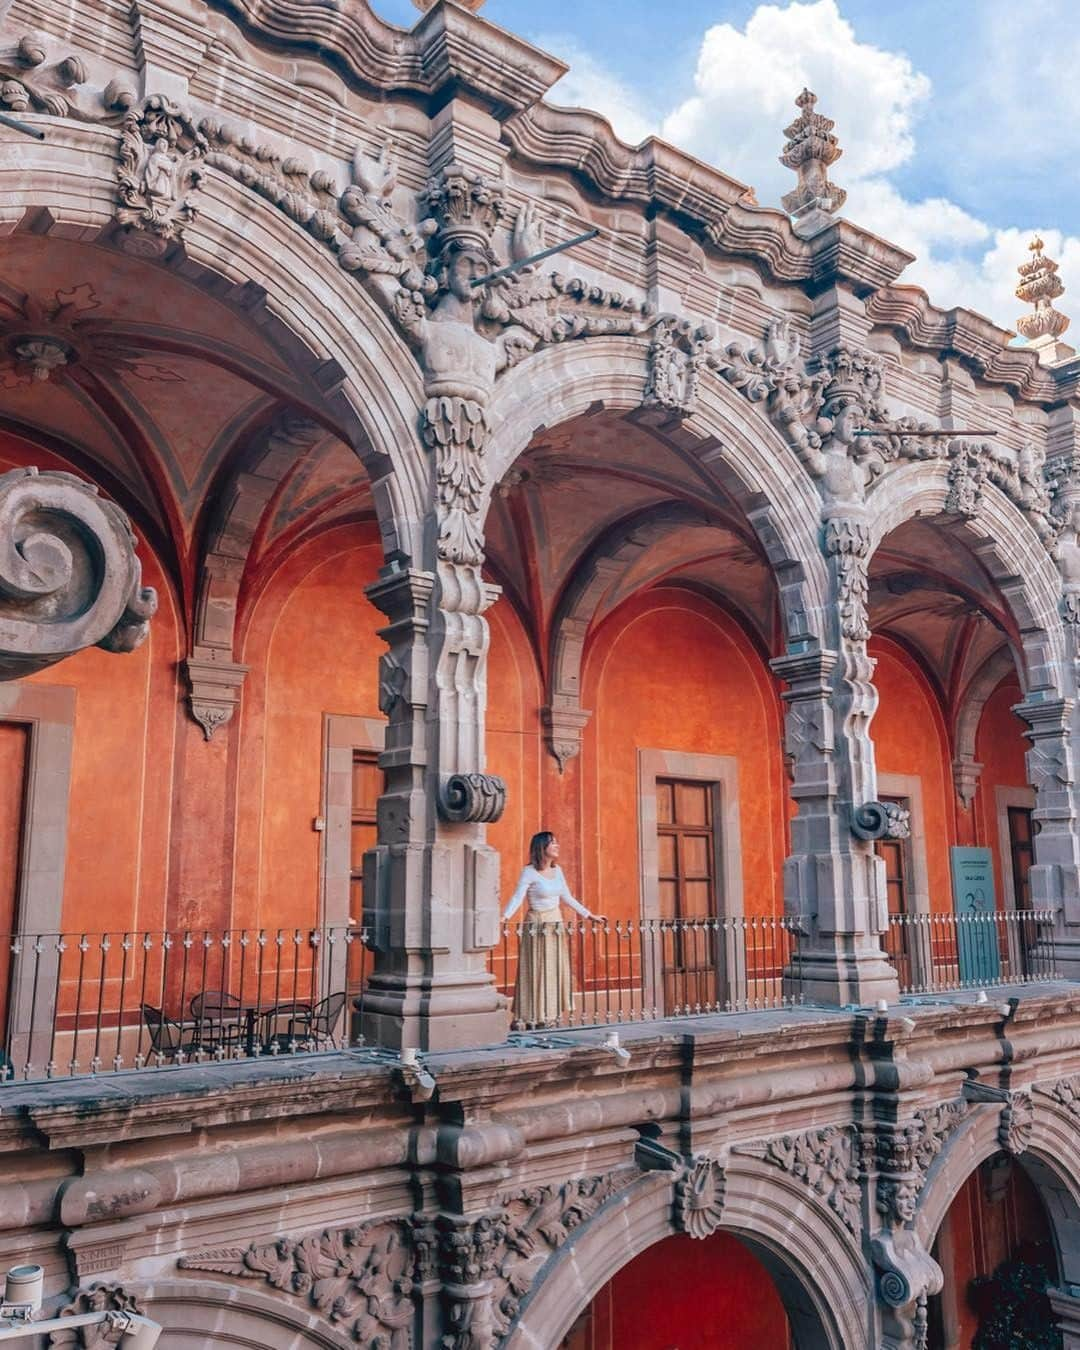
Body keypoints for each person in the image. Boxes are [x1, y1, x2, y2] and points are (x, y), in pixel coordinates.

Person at [502, 831, 601, 1028]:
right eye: (552, 843)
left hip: (555, 924)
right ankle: (530, 1016)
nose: (557, 846)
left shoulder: (559, 871)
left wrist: (590, 915)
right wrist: (504, 917)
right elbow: (517, 897)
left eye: (556, 842)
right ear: (541, 847)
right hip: (537, 925)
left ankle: (549, 1015)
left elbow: (567, 897)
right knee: (535, 969)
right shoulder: (529, 871)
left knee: (553, 969)